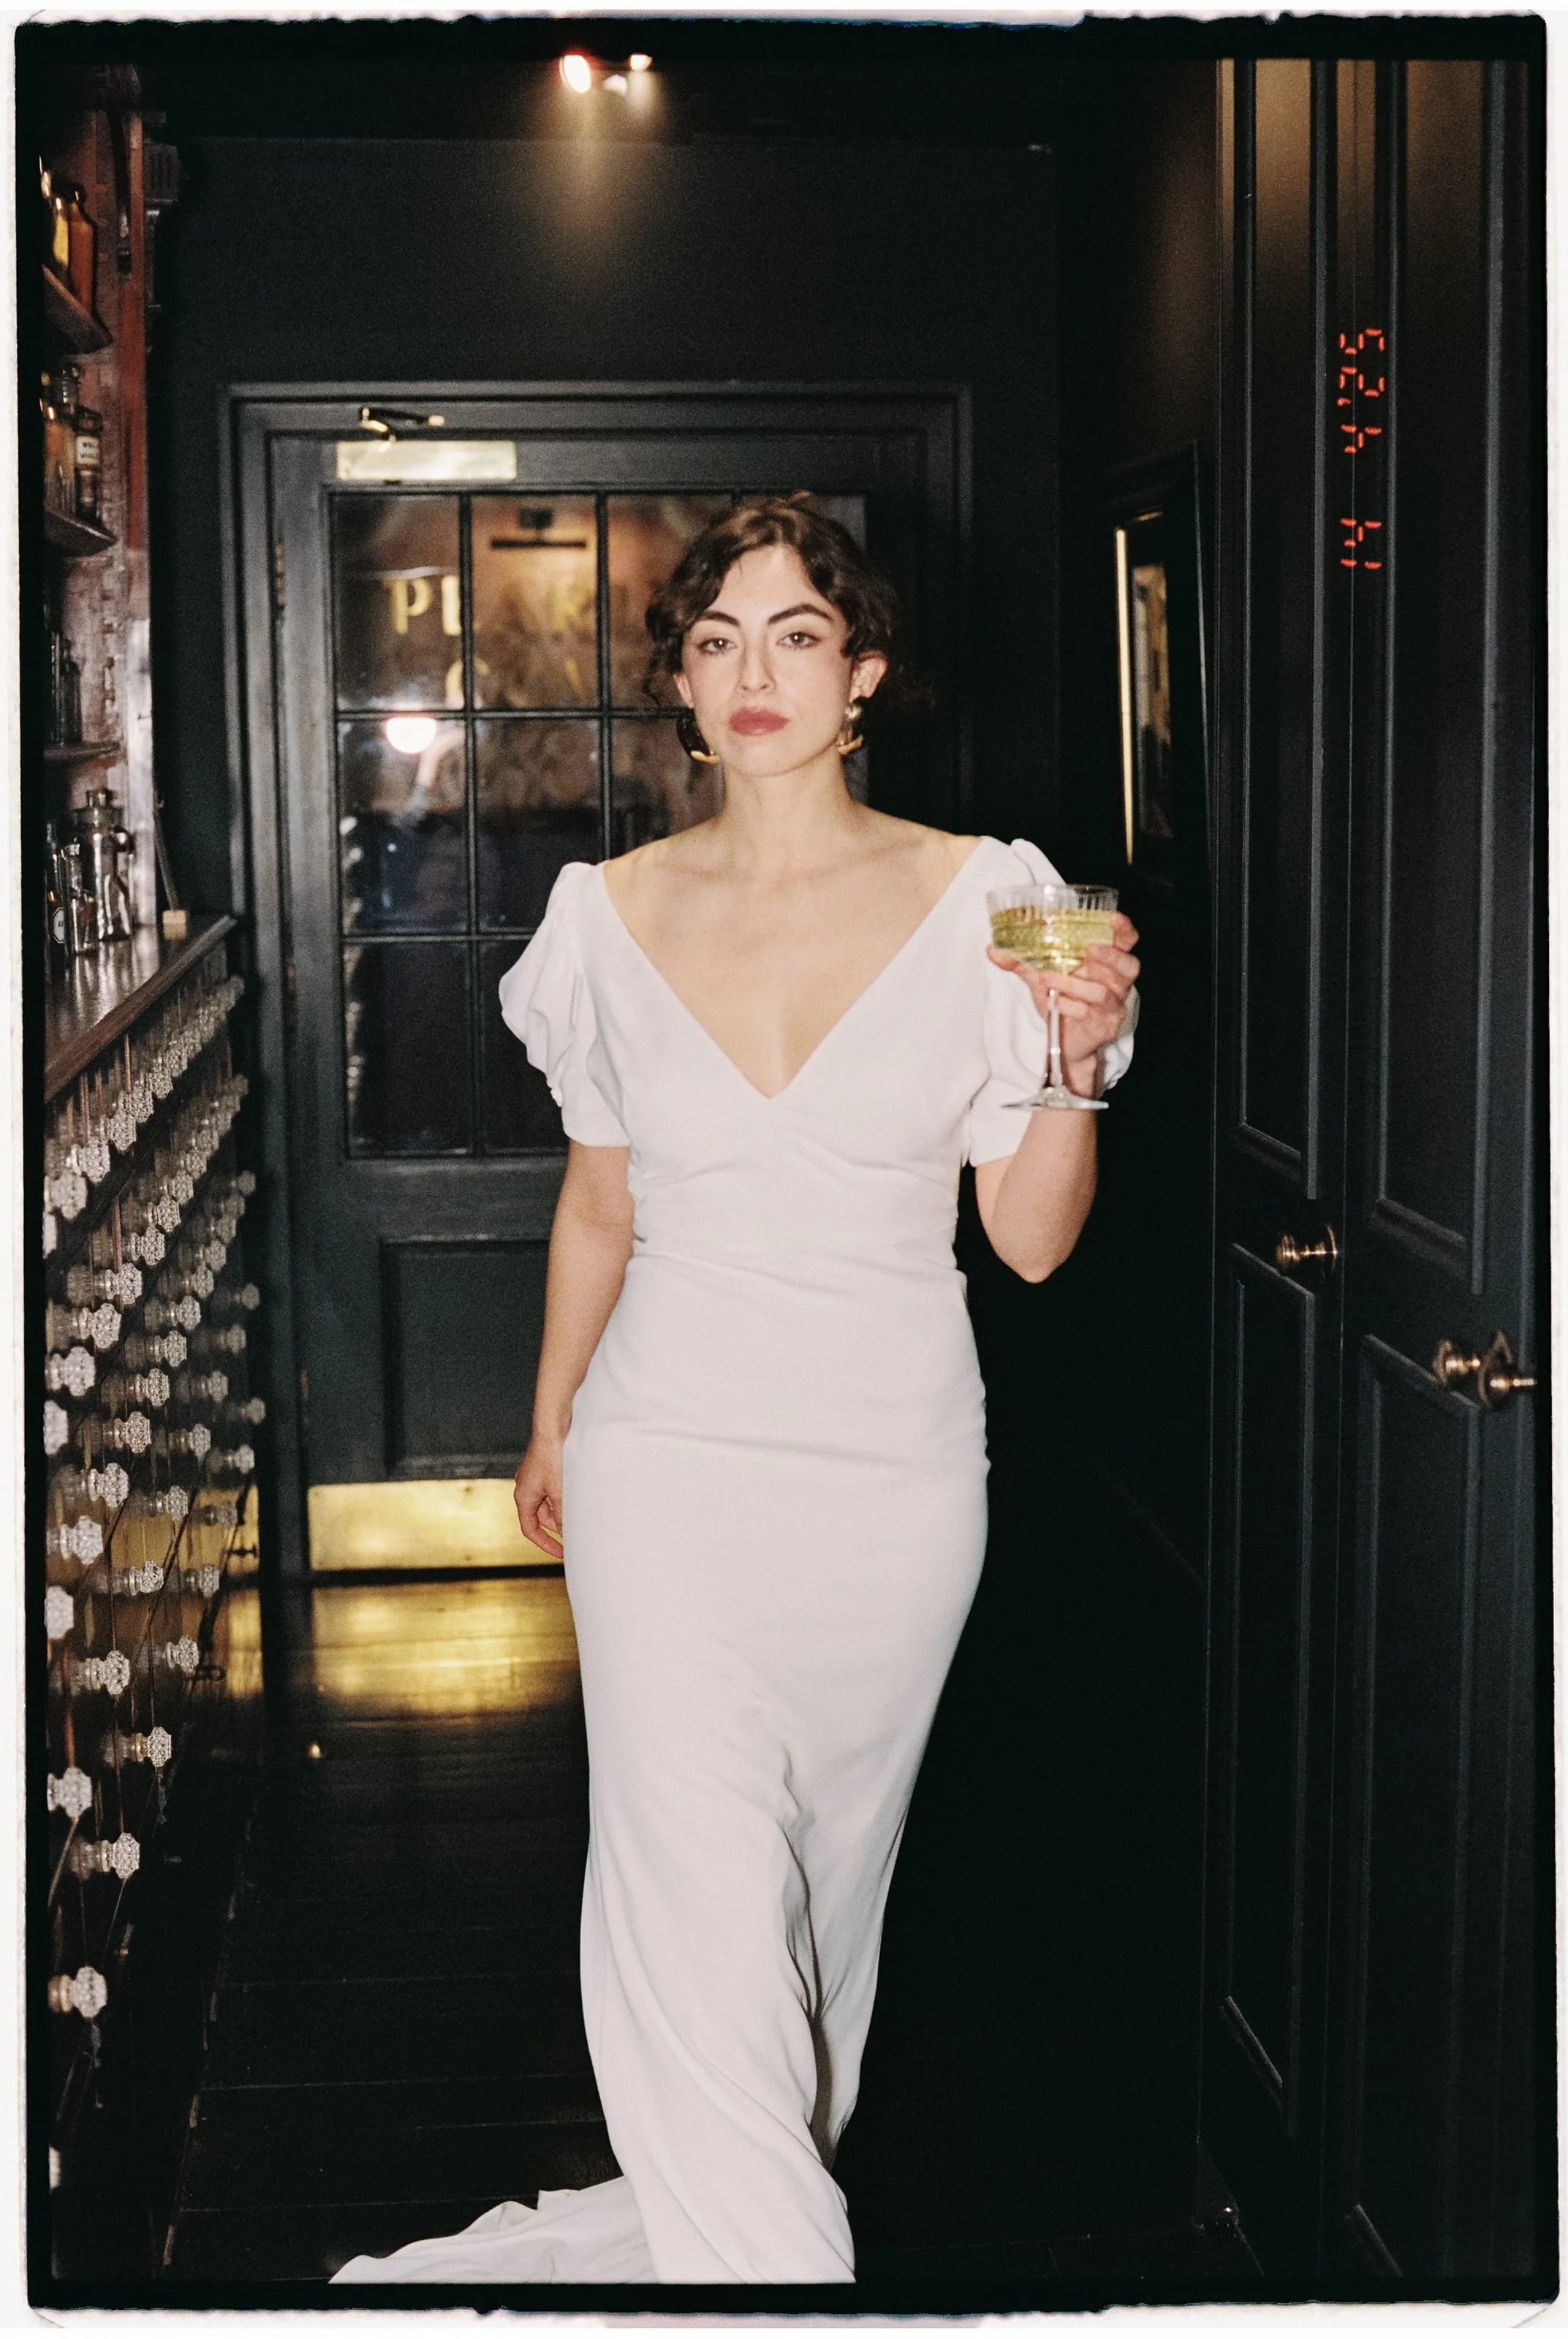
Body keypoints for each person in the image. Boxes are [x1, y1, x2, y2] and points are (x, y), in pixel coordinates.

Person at [330, 495, 1140, 2286]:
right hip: (665, 1468)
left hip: (893, 1478)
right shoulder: (603, 918)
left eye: (793, 635)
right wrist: (549, 1421)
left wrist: (1077, 1067)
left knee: (813, 1923)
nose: (753, 672)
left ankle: (727, 2226)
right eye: (716, 641)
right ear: (682, 695)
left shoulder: (998, 900)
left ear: (863, 674)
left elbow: (1024, 1244)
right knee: (689, 1903)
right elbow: (601, 1204)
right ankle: (780, 2288)